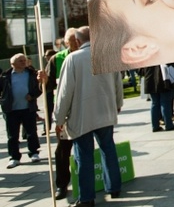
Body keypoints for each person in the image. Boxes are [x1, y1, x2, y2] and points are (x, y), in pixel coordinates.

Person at [53, 26, 124, 206]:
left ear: (77, 41)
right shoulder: (106, 55)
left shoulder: (73, 59)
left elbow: (64, 93)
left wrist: (59, 119)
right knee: (108, 148)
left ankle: (86, 198)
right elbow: (118, 83)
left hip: (82, 114)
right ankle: (114, 187)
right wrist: (117, 104)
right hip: (104, 111)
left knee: (83, 155)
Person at [45, 28, 80, 200]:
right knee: (62, 151)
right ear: (66, 43)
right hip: (66, 114)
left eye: (78, 40)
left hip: (85, 109)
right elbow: (46, 88)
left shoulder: (88, 55)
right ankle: (62, 185)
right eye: (72, 41)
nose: (76, 43)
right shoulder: (56, 59)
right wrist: (42, 81)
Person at [0, 53, 43, 169]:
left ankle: (34, 152)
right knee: (12, 135)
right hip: (11, 109)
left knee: (31, 131)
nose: (24, 62)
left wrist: (32, 95)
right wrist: (3, 100)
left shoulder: (31, 74)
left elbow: (39, 88)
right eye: (20, 61)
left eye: (24, 60)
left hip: (28, 108)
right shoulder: (5, 76)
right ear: (12, 64)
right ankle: (14, 157)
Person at [142, 65, 174, 132]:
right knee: (165, 102)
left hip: (150, 79)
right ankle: (168, 124)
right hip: (163, 78)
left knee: (155, 103)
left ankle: (155, 126)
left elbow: (140, 70)